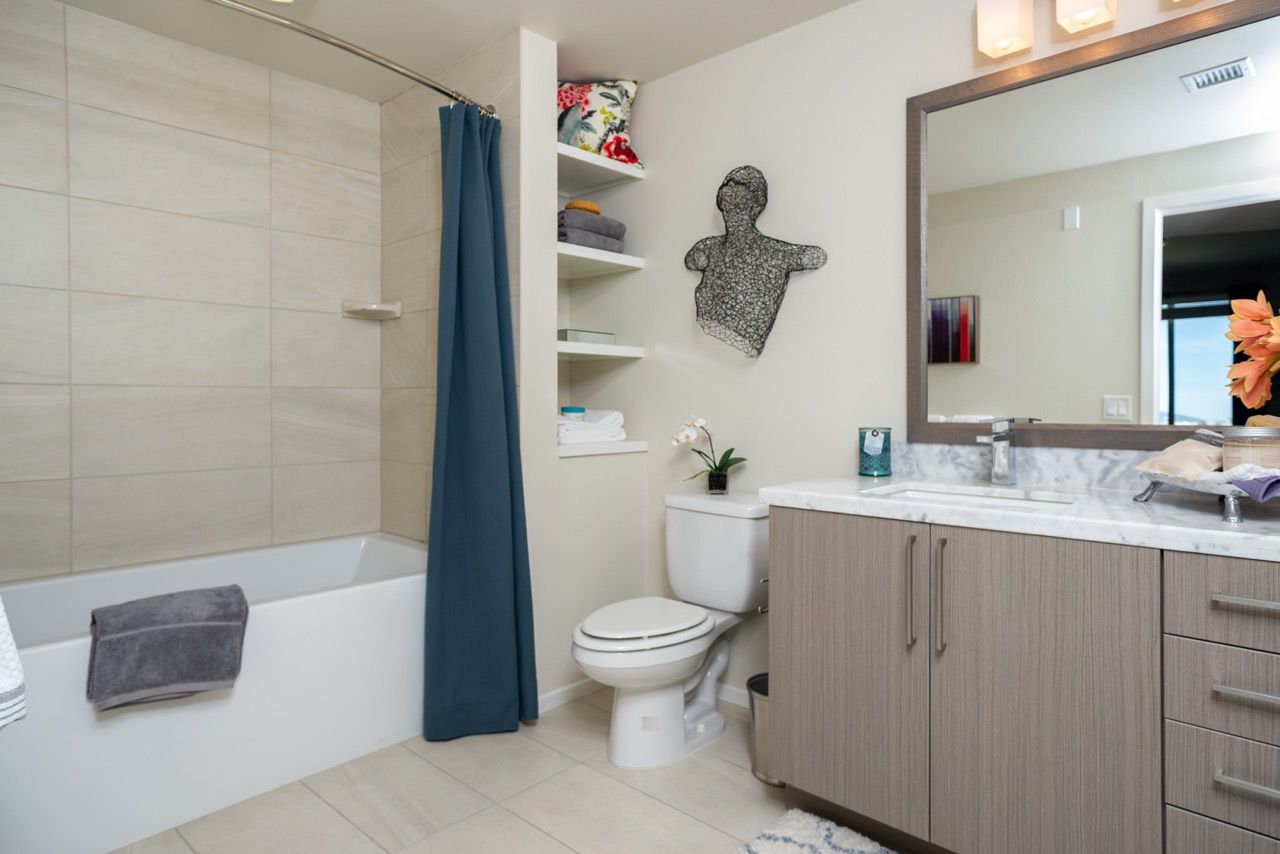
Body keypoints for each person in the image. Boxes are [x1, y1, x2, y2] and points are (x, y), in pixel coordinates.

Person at [685, 166, 827, 357]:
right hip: (704, 341)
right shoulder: (710, 248)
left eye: (738, 205)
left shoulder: (774, 253)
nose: (731, 214)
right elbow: (693, 260)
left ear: (754, 207)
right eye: (727, 204)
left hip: (741, 346)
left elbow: (816, 256)